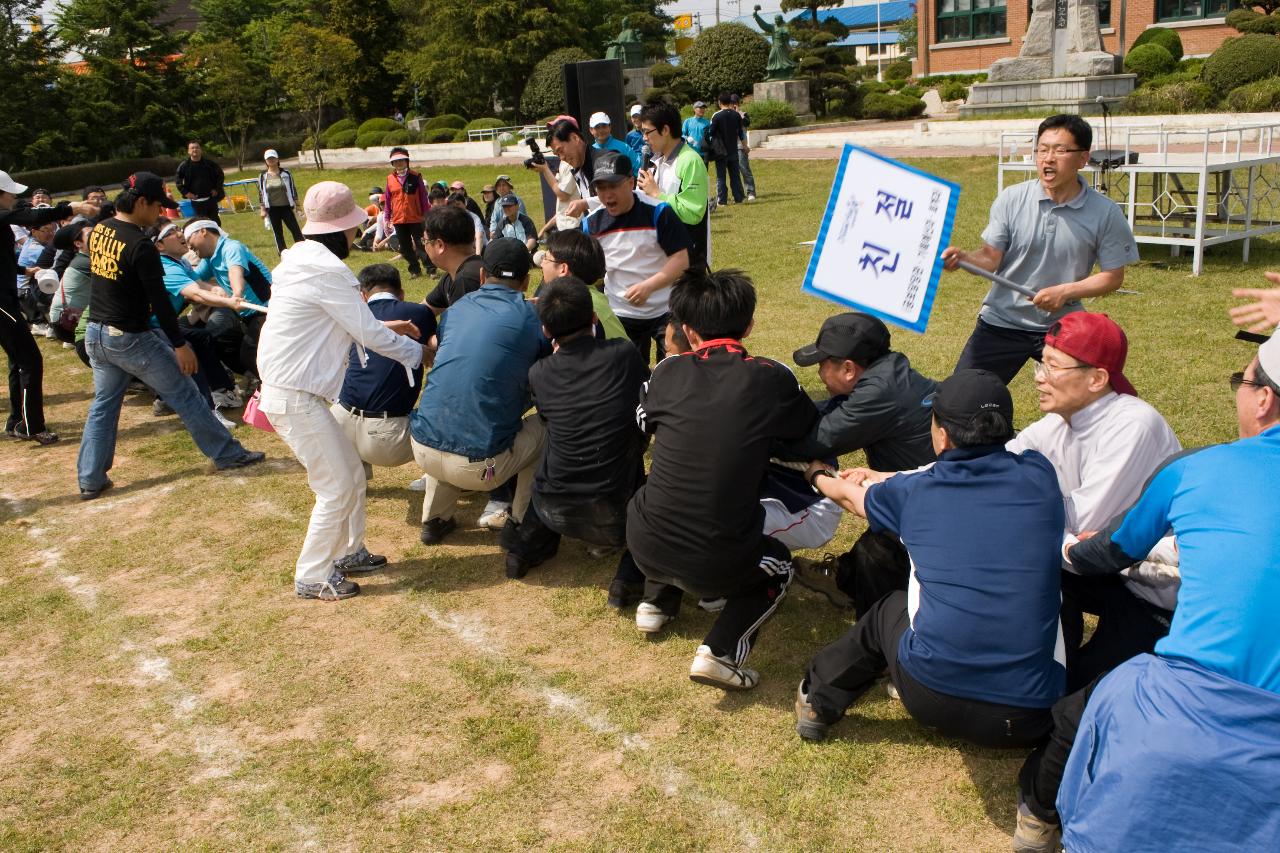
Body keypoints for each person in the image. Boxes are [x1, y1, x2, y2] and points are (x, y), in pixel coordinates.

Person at [1014, 335, 1280, 853]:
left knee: (1077, 715)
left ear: (1264, 398)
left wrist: (1063, 549)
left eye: (1241, 382)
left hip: (1191, 694)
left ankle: (1038, 820)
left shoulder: (1200, 469)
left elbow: (1110, 551)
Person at [794, 369, 1066, 746]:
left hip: (930, 697)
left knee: (889, 610)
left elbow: (849, 497)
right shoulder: (1040, 476)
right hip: (1031, 716)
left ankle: (817, 699)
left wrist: (817, 474)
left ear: (941, 434)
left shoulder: (913, 493)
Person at [626, 269, 819, 690]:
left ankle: (655, 602)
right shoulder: (771, 375)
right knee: (780, 566)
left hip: (641, 542)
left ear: (688, 331)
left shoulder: (665, 373)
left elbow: (644, 422)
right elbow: (805, 430)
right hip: (713, 555)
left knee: (669, 489)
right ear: (749, 325)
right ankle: (721, 652)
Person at [256, 181, 426, 601]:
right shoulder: (328, 271)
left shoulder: (299, 261)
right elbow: (366, 331)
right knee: (336, 486)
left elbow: (346, 323)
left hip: (296, 391)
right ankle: (313, 574)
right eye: (352, 228)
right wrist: (418, 352)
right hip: (296, 396)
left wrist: (394, 332)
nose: (355, 235)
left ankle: (350, 551)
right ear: (338, 230)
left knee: (350, 473)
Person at [1006, 312, 1181, 691]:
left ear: (1097, 378)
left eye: (1053, 367)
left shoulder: (1133, 426)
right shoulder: (1060, 420)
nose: (1039, 377)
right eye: (1041, 363)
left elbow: (1089, 528)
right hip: (1092, 565)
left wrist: (1009, 506)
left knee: (1084, 694)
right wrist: (890, 479)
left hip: (1150, 591)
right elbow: (996, 464)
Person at [76, 172, 263, 500]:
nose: (161, 214)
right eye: (158, 206)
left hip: (97, 333)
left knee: (103, 406)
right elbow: (160, 302)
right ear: (141, 202)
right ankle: (228, 454)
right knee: (186, 393)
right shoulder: (141, 246)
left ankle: (90, 479)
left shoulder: (102, 231)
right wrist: (179, 345)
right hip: (131, 337)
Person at [941, 114, 1140, 384]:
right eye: (1042, 149)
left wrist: (1065, 291)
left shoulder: (1105, 212)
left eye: (1060, 150)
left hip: (1063, 325)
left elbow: (1113, 277)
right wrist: (965, 258)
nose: (1048, 158)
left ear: (1083, 158)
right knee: (962, 398)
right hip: (1001, 320)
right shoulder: (1012, 198)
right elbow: (990, 258)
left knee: (1096, 397)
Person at [779, 313, 939, 610]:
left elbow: (812, 442)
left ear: (849, 368)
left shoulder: (879, 394)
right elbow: (831, 411)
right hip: (925, 483)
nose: (818, 374)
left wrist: (757, 430)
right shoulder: (887, 372)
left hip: (937, 503)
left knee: (876, 554)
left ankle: (878, 620)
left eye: (822, 364)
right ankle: (846, 576)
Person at [499, 275, 649, 579]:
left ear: (545, 330)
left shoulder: (539, 373)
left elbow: (548, 416)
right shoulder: (623, 353)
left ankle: (523, 548)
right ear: (594, 319)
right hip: (617, 508)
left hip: (552, 508)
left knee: (558, 452)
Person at [409, 238, 548, 547]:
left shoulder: (455, 311)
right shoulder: (532, 319)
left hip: (422, 449)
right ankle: (521, 522)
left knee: (450, 408)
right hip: (481, 466)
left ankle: (434, 520)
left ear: (483, 276)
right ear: (527, 281)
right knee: (547, 426)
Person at [1, 171, 96, 443]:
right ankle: (31, 426)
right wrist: (72, 207)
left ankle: (17, 421)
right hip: (1, 302)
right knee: (30, 360)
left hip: (5, 299)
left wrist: (25, 269)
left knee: (17, 360)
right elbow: (31, 217)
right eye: (10, 192)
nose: (14, 197)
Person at [582, 151, 691, 364]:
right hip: (621, 313)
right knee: (630, 375)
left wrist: (648, 286)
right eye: (601, 188)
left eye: (613, 186)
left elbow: (681, 259)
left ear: (631, 182)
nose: (607, 195)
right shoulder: (592, 224)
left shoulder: (658, 212)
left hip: (665, 310)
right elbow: (589, 270)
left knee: (672, 370)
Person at [330, 263, 436, 478]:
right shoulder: (419, 313)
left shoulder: (349, 317)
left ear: (363, 295)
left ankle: (356, 473)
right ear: (402, 293)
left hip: (338, 427)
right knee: (448, 422)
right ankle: (446, 478)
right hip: (388, 438)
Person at [151, 222, 247, 417]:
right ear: (159, 246)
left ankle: (223, 391)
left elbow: (198, 283)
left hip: (165, 325)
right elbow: (195, 294)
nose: (180, 234)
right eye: (171, 233)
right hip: (149, 328)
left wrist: (214, 289)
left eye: (178, 229)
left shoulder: (182, 262)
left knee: (202, 338)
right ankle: (207, 411)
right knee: (187, 349)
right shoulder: (164, 267)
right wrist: (228, 302)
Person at [184, 219, 272, 381]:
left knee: (249, 352)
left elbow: (234, 272)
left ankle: (273, 386)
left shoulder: (231, 247)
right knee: (222, 342)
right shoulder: (210, 259)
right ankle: (258, 380)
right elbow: (192, 280)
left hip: (267, 309)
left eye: (189, 239)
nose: (189, 246)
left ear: (203, 231)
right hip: (246, 314)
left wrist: (236, 294)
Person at [636, 100, 711, 270]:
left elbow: (693, 213)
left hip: (687, 264)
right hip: (660, 259)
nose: (644, 138)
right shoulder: (656, 161)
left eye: (647, 132)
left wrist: (657, 194)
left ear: (665, 130)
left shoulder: (690, 161)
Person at [535, 229, 626, 342]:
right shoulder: (588, 296)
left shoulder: (579, 309)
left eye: (546, 258)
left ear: (563, 269)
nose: (542, 263)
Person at [422, 205, 484, 316]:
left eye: (425, 241)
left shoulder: (466, 280)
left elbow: (462, 331)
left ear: (440, 245)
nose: (424, 247)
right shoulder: (452, 275)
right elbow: (424, 310)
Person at [382, 147, 431, 278]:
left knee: (421, 245)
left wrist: (426, 217)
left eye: (401, 160)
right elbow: (388, 199)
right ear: (392, 163)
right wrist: (387, 218)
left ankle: (430, 269)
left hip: (416, 218)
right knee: (405, 247)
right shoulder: (389, 179)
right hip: (399, 219)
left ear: (407, 161)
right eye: (395, 161)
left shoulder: (416, 176)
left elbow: (423, 198)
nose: (398, 163)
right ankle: (415, 270)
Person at [257, 149, 303, 253]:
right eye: (269, 158)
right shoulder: (262, 176)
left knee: (296, 230)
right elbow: (261, 193)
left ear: (277, 159)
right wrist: (262, 209)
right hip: (272, 209)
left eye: (273, 158)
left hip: (286, 207)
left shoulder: (286, 173)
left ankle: (302, 250)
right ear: (265, 161)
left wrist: (298, 205)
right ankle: (282, 253)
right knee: (278, 234)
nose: (271, 160)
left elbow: (292, 189)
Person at [708, 92, 747, 207]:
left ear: (719, 102)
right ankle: (738, 198)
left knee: (721, 176)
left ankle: (722, 201)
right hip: (733, 150)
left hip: (720, 151)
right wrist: (745, 146)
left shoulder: (716, 116)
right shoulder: (736, 115)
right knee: (735, 175)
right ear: (730, 102)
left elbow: (710, 133)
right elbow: (741, 133)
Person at [175, 141, 226, 224]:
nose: (195, 149)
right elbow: (178, 181)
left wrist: (216, 189)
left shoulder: (210, 164)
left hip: (211, 199)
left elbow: (220, 176)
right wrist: (186, 193)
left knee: (215, 222)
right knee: (202, 224)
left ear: (201, 150)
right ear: (188, 151)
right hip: (196, 201)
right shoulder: (184, 166)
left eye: (197, 147)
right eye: (192, 148)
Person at [732, 94, 757, 202]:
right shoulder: (727, 115)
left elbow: (746, 123)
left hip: (741, 146)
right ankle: (739, 194)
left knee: (744, 170)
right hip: (730, 147)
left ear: (738, 104)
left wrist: (738, 113)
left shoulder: (743, 114)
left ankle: (751, 192)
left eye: (735, 103)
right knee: (734, 172)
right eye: (731, 103)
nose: (733, 105)